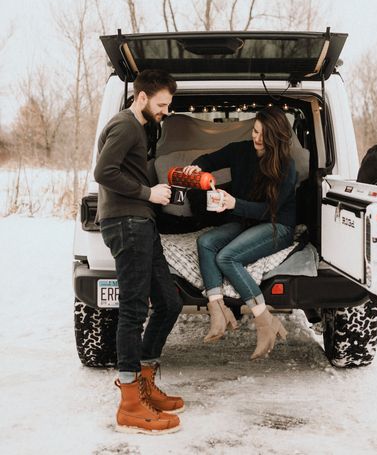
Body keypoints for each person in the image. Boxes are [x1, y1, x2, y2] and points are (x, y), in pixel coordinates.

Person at [95, 69, 184, 436]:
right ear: (142, 97)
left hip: (141, 222)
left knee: (169, 302)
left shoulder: (142, 129)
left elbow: (128, 171)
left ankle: (144, 382)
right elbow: (104, 171)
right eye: (162, 104)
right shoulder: (125, 125)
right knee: (133, 310)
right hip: (127, 223)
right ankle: (130, 403)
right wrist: (148, 194)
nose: (165, 111)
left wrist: (162, 187)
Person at [183, 106, 297, 360]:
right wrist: (196, 168)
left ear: (276, 139)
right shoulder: (240, 151)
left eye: (264, 136)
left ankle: (264, 321)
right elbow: (207, 160)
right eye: (255, 131)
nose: (257, 138)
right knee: (206, 242)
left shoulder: (286, 168)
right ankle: (218, 310)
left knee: (228, 257)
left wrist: (234, 204)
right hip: (245, 220)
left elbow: (271, 211)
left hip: (277, 225)